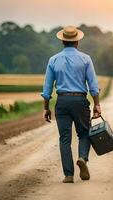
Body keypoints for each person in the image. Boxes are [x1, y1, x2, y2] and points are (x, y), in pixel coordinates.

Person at [41, 26, 101, 183]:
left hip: (62, 102)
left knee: (64, 138)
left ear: (62, 41)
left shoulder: (53, 60)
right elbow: (93, 85)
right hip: (80, 101)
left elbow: (47, 89)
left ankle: (68, 175)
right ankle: (82, 158)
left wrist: (46, 108)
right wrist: (97, 105)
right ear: (77, 41)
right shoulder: (85, 59)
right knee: (84, 133)